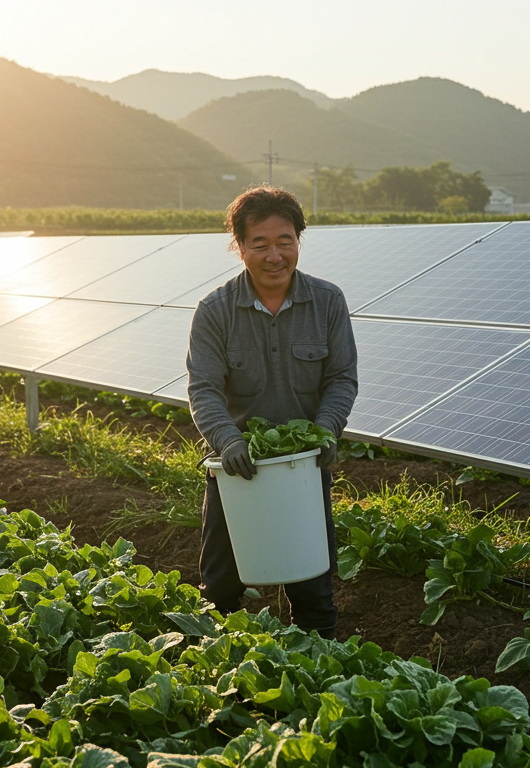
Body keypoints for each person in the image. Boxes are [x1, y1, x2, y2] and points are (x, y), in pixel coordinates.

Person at [185, 185, 358, 639]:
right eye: (259, 243)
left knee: (314, 590)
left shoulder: (328, 302)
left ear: (299, 241)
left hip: (303, 467)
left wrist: (325, 430)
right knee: (222, 588)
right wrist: (229, 440)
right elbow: (203, 389)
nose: (274, 255)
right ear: (239, 247)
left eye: (285, 241)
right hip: (236, 469)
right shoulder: (215, 311)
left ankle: (317, 676)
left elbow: (341, 378)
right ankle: (223, 678)